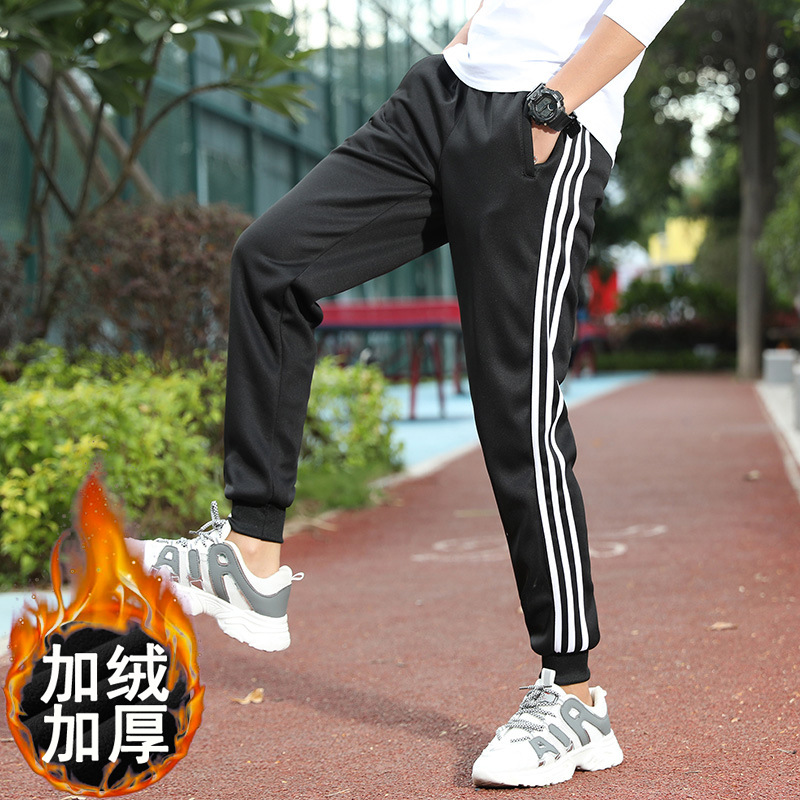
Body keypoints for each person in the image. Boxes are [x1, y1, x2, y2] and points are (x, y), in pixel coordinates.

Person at [134, 0, 685, 788]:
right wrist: (459, 51)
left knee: (517, 403)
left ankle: (573, 696)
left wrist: (551, 106)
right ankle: (251, 552)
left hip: (541, 118)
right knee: (272, 261)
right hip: (441, 98)